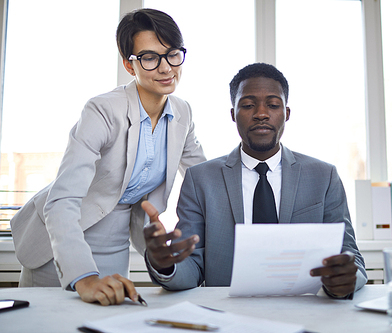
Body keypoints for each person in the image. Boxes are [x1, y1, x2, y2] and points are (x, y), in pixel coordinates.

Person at [9, 8, 206, 305]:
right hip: (61, 241)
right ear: (130, 65)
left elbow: (203, 179)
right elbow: (61, 200)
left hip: (117, 242)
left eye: (173, 54)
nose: (166, 68)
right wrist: (83, 277)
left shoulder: (183, 113)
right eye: (151, 58)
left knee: (109, 318)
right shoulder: (102, 110)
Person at [141, 63, 367, 299]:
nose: (261, 113)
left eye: (273, 104)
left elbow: (351, 257)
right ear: (233, 114)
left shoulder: (324, 176)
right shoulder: (200, 179)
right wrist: (165, 264)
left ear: (286, 114)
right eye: (248, 105)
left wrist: (347, 278)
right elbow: (191, 267)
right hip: (228, 317)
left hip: (303, 312)